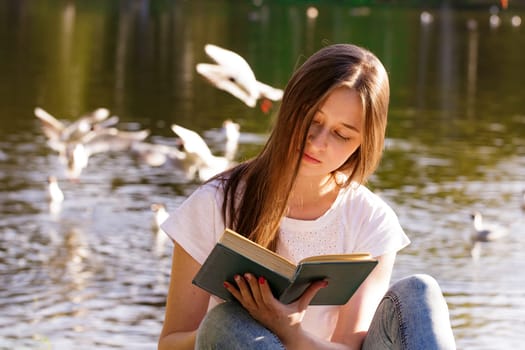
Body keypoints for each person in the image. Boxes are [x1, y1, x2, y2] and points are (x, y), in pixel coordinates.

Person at [158, 43, 456, 350]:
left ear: (362, 143)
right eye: (312, 120)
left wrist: (289, 331)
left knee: (420, 292)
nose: (318, 142)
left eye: (342, 134)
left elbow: (351, 346)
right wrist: (230, 324)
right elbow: (170, 343)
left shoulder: (370, 218)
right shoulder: (215, 202)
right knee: (226, 321)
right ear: (290, 106)